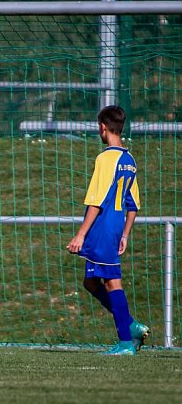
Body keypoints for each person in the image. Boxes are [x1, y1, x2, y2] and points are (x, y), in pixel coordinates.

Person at [66, 105, 149, 356]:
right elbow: (133, 204)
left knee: (112, 282)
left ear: (103, 127)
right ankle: (131, 326)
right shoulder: (129, 160)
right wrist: (125, 234)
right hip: (114, 228)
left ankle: (126, 342)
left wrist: (81, 234)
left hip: (101, 228)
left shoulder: (105, 158)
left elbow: (96, 199)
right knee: (90, 282)